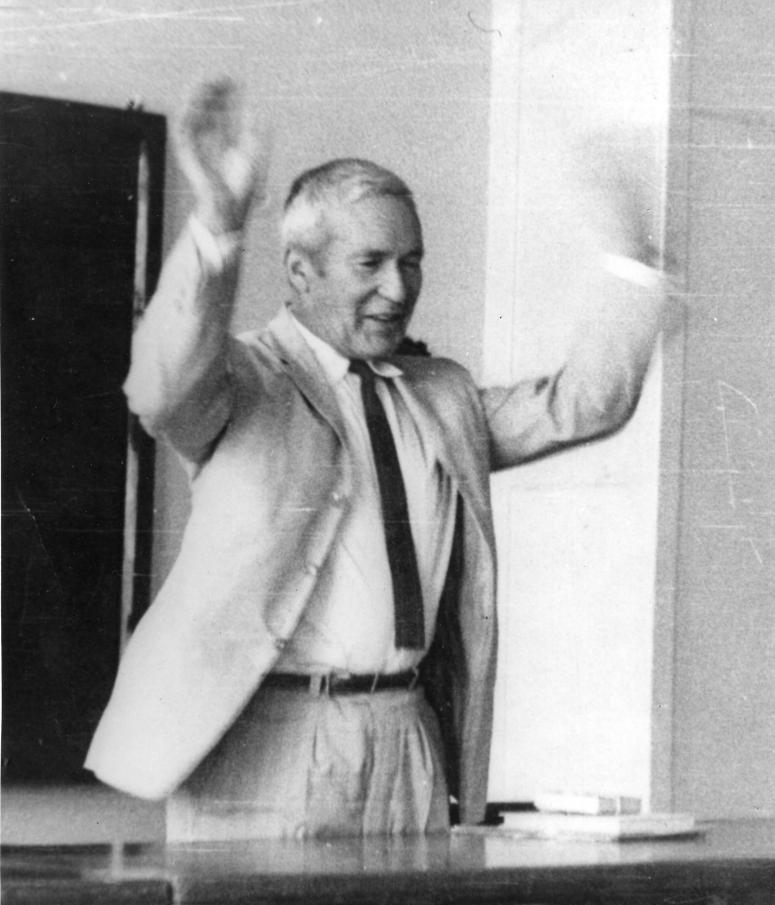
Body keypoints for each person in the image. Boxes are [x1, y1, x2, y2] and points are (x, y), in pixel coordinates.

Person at [85, 79, 667, 840]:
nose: (399, 288)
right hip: (268, 738)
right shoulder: (243, 381)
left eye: (411, 262)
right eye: (371, 262)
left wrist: (632, 260)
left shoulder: (442, 395)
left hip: (409, 737)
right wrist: (218, 224)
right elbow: (162, 381)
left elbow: (583, 404)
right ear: (300, 271)